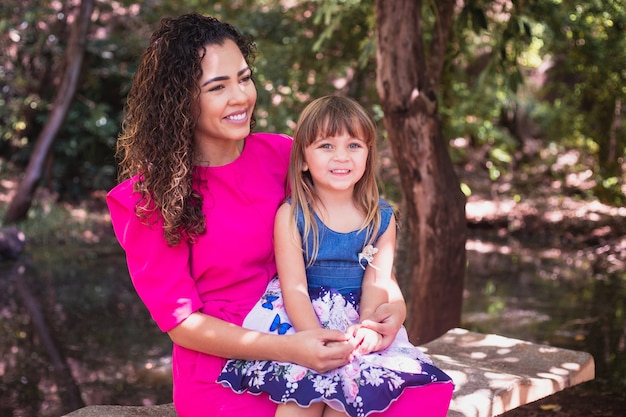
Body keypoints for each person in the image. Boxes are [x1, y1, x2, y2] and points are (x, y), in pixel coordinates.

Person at [106, 12, 453, 417]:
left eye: (244, 77)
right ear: (180, 99)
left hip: (319, 328)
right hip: (226, 361)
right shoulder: (150, 198)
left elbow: (360, 245)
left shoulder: (285, 156)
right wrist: (291, 348)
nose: (241, 97)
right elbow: (181, 323)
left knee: (401, 399)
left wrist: (394, 309)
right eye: (218, 87)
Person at [217, 96, 453, 417]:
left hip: (355, 320)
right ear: (302, 159)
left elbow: (377, 278)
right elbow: (294, 287)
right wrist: (314, 337)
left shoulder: (381, 217)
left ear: (368, 156)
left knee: (353, 401)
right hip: (302, 322)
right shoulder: (291, 215)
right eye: (326, 146)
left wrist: (367, 325)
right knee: (298, 405)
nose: (341, 156)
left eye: (354, 145)